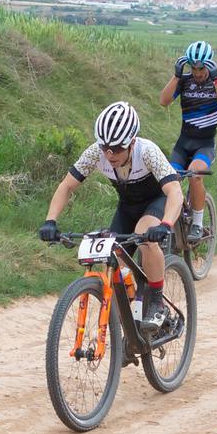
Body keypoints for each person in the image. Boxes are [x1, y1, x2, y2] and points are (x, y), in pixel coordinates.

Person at [38, 102, 183, 329]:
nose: (109, 153)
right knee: (114, 262)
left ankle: (156, 302)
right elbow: (66, 186)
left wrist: (165, 224)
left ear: (132, 143)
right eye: (105, 147)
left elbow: (174, 191)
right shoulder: (95, 153)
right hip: (127, 207)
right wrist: (50, 220)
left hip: (157, 202)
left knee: (143, 236)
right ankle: (131, 324)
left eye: (116, 148)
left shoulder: (148, 152)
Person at [158, 40, 217, 241]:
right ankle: (169, 223)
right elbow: (163, 101)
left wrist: (215, 80)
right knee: (169, 181)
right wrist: (176, 76)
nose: (198, 73)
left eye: (201, 68)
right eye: (194, 68)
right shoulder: (184, 80)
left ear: (209, 64)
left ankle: (198, 223)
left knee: (195, 174)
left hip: (205, 144)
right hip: (183, 144)